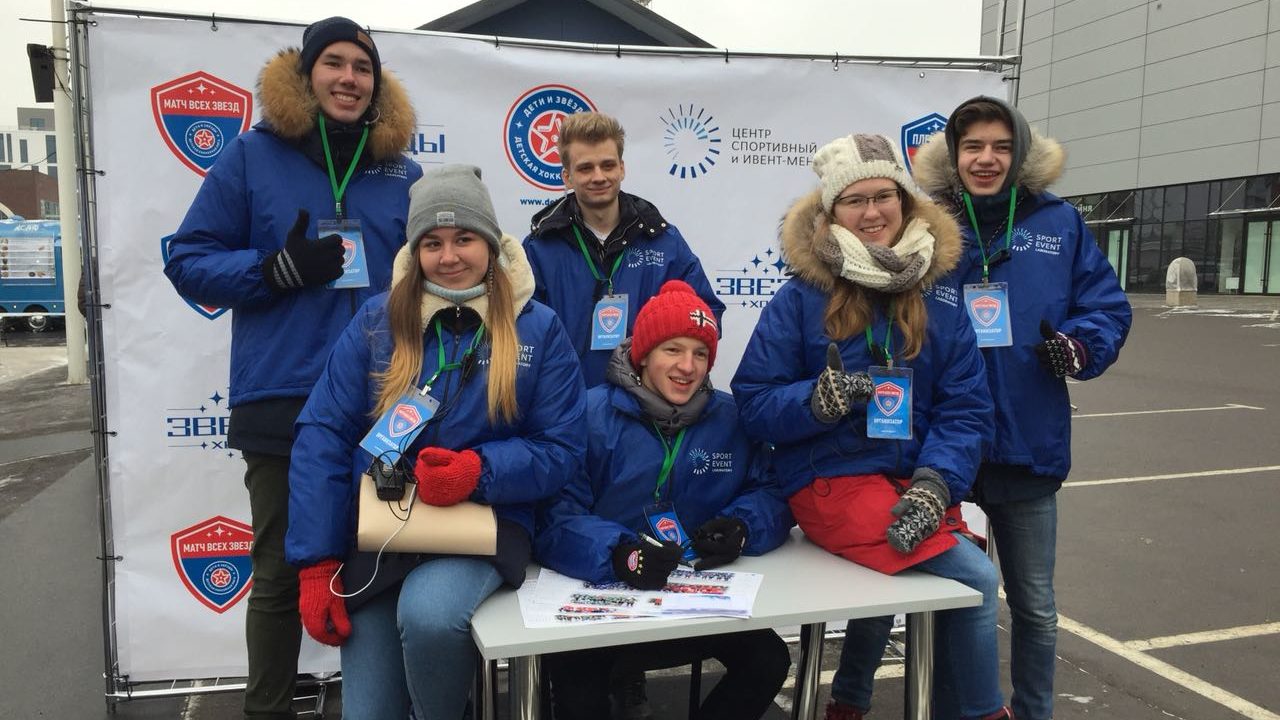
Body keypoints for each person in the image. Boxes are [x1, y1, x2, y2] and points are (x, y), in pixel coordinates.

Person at [162, 17, 420, 719]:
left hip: (383, 399)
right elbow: (187, 259)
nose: (348, 78)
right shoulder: (252, 156)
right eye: (333, 64)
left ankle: (382, 706)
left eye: (361, 68)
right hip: (284, 393)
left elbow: (437, 272)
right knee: (280, 570)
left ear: (376, 85)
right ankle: (267, 709)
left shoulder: (403, 170)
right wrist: (270, 268)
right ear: (306, 76)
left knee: (382, 563)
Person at [284, 164, 587, 719]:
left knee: (427, 614)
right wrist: (316, 560)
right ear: (415, 250)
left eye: (465, 238)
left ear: (491, 245)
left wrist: (480, 470)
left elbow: (562, 448)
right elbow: (322, 435)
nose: (449, 256)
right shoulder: (378, 322)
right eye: (433, 242)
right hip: (383, 531)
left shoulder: (536, 328)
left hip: (483, 525)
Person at [731, 134, 1011, 720]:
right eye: (854, 201)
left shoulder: (943, 295)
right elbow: (753, 402)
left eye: (884, 196)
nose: (872, 212)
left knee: (906, 560)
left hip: (909, 479)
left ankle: (849, 703)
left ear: (906, 202)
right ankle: (985, 714)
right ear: (831, 214)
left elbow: (965, 409)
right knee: (977, 577)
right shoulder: (801, 296)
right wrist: (819, 401)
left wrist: (939, 483)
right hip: (828, 482)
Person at [912, 96, 1132, 720]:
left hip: (1029, 440)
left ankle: (1034, 712)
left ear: (1020, 153)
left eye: (1001, 147)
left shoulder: (1059, 222)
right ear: (954, 155)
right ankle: (957, 708)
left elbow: (1106, 307)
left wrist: (1080, 345)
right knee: (951, 595)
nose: (987, 159)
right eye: (973, 146)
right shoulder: (924, 222)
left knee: (1033, 603)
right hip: (942, 447)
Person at [535, 280, 793, 720]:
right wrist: (620, 554)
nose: (688, 366)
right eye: (673, 349)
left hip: (691, 597)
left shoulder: (731, 417)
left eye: (700, 354)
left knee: (769, 660)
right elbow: (556, 514)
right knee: (577, 692)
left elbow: (771, 490)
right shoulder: (589, 414)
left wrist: (741, 527)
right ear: (643, 355)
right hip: (604, 601)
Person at [523, 111, 725, 388]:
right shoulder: (539, 247)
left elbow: (706, 313)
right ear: (567, 177)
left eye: (608, 165)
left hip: (647, 407)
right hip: (566, 402)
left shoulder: (664, 240)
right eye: (585, 168)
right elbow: (522, 334)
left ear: (622, 168)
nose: (599, 177)